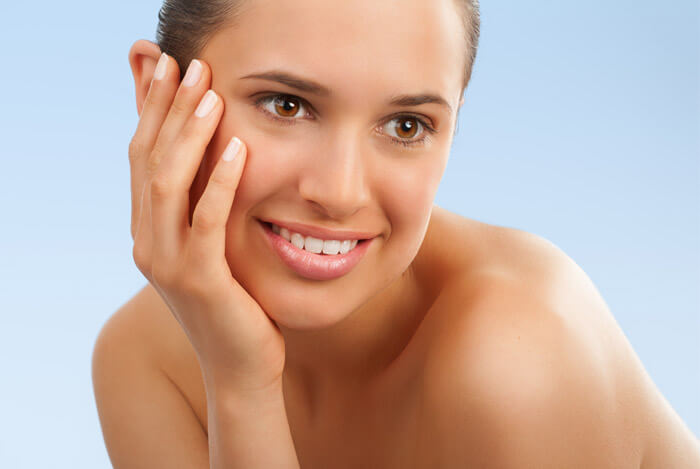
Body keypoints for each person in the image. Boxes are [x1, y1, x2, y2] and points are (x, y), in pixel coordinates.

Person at [91, 0, 700, 467]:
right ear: (157, 93)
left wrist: (241, 389)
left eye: (407, 125)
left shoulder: (517, 360)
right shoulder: (144, 362)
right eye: (286, 104)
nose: (340, 192)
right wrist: (240, 380)